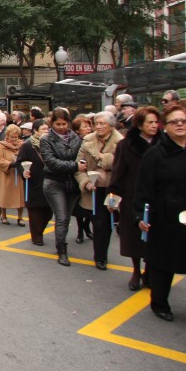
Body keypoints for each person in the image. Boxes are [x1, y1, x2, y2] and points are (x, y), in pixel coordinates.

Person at [134, 104, 186, 324]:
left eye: (183, 120)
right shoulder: (155, 154)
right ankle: (160, 304)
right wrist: (140, 217)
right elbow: (143, 188)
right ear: (166, 126)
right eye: (174, 121)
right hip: (165, 218)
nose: (180, 124)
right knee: (163, 264)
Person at [108, 107, 161, 291]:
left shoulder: (164, 143)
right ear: (139, 125)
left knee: (156, 236)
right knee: (134, 237)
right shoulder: (126, 145)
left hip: (158, 197)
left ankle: (151, 271)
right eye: (150, 122)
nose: (154, 126)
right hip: (132, 196)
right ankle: (136, 270)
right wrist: (113, 197)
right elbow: (118, 172)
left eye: (156, 122)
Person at [75, 111, 123, 271]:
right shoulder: (87, 141)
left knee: (108, 222)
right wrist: (86, 182)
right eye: (97, 123)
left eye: (103, 123)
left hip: (113, 189)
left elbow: (123, 167)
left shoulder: (121, 142)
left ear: (111, 125)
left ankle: (102, 254)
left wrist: (105, 160)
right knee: (98, 221)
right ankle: (100, 256)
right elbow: (79, 165)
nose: (99, 126)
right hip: (94, 190)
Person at [41, 107, 85, 267]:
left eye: (64, 123)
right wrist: (74, 166)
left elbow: (82, 157)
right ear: (52, 123)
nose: (61, 127)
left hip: (72, 183)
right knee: (62, 216)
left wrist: (78, 167)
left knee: (66, 218)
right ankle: (62, 250)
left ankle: (61, 241)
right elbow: (51, 163)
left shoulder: (76, 138)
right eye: (58, 124)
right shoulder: (46, 139)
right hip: (54, 183)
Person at [17, 119, 53, 246]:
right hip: (34, 181)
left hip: (50, 180)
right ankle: (36, 236)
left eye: (47, 129)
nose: (46, 131)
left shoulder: (51, 143)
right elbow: (19, 162)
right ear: (35, 131)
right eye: (43, 129)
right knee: (35, 211)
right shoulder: (28, 145)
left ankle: (40, 230)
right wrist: (23, 172)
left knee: (49, 211)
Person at [0, 124, 25, 226]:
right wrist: (10, 164)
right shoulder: (0, 145)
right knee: (4, 194)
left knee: (20, 196)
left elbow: (26, 158)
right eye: (12, 137)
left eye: (16, 137)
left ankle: (20, 217)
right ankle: (4, 216)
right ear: (7, 136)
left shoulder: (23, 145)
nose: (14, 140)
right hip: (6, 173)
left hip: (19, 174)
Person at [71, 116, 94, 245]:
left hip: (92, 175)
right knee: (80, 207)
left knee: (92, 205)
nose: (88, 129)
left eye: (89, 126)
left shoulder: (93, 140)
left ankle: (86, 225)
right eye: (85, 126)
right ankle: (80, 230)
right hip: (78, 176)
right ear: (77, 130)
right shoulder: (76, 142)